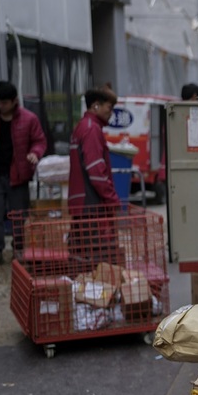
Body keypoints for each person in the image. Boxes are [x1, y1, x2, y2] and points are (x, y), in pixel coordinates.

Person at [0, 81, 47, 266]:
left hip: (18, 175)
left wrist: (35, 153)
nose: (1, 106)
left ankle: (19, 250)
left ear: (14, 101)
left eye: (4, 102)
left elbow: (39, 140)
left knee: (19, 215)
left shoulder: (29, 119)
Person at [68, 84, 121, 266]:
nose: (111, 112)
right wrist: (112, 199)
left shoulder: (83, 126)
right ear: (96, 105)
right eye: (109, 107)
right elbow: (96, 172)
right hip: (91, 203)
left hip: (81, 202)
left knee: (82, 253)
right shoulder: (91, 129)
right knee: (97, 257)